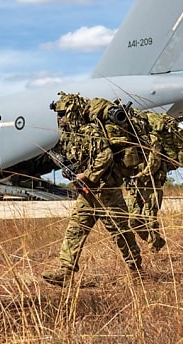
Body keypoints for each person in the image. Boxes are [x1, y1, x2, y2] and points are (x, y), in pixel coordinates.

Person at [41, 93, 142, 287]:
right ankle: (65, 271)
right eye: (58, 114)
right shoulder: (71, 136)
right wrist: (73, 173)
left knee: (121, 233)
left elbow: (105, 156)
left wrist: (86, 175)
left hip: (107, 192)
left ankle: (136, 271)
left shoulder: (89, 131)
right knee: (75, 230)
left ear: (73, 113)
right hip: (87, 194)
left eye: (62, 114)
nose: (59, 118)